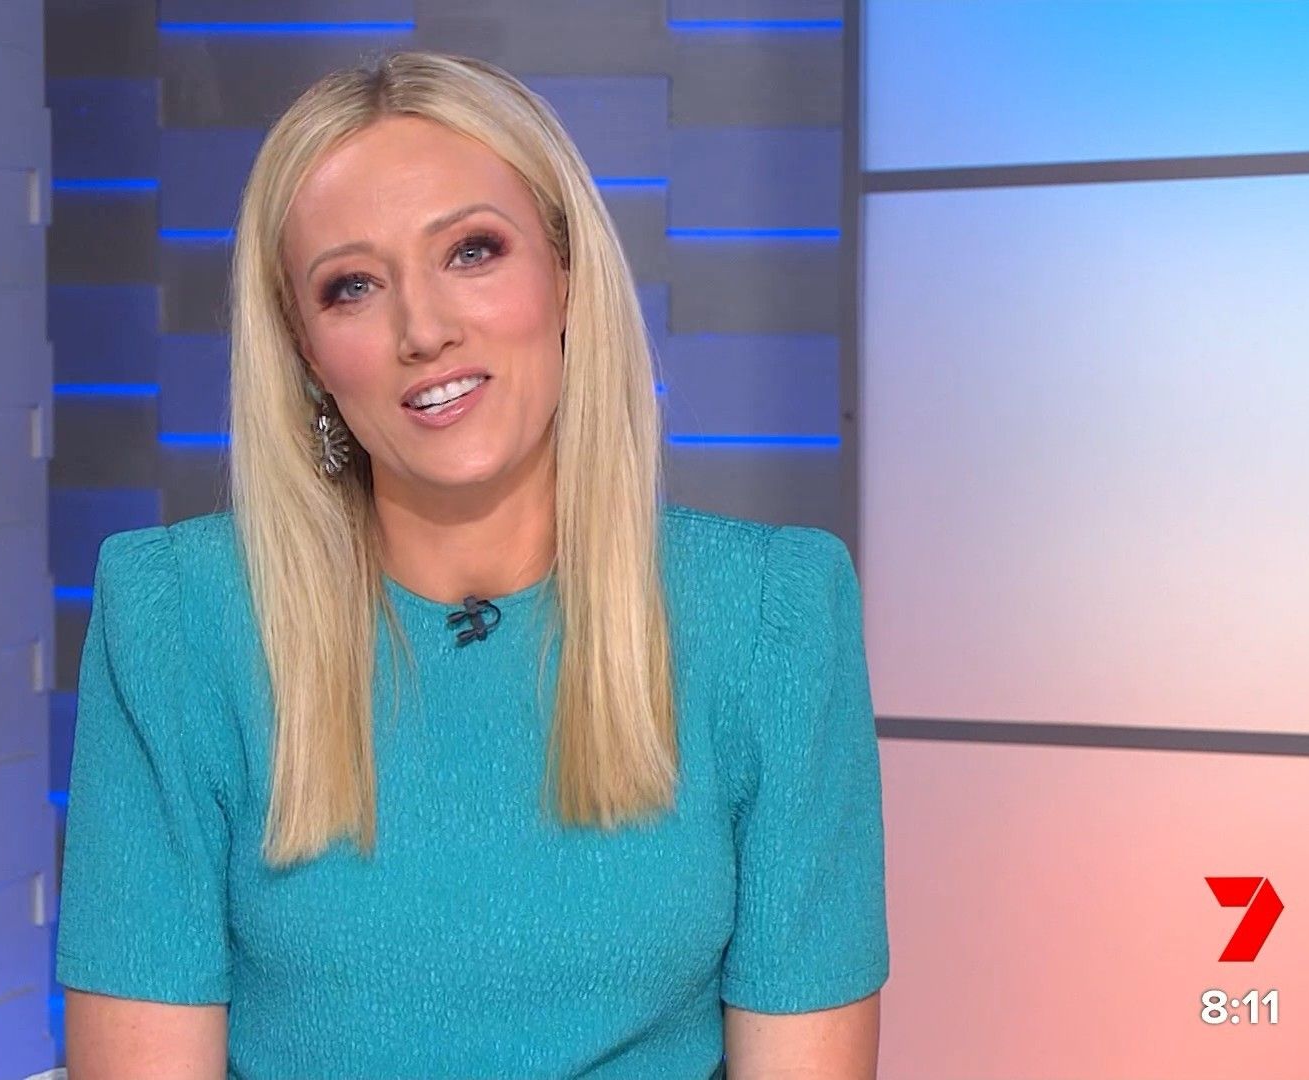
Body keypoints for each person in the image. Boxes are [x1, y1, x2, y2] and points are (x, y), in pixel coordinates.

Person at [55, 50, 888, 1080]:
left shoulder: (773, 617)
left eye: (472, 251)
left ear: (566, 273)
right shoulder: (174, 623)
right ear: (307, 351)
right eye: (353, 287)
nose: (425, 330)